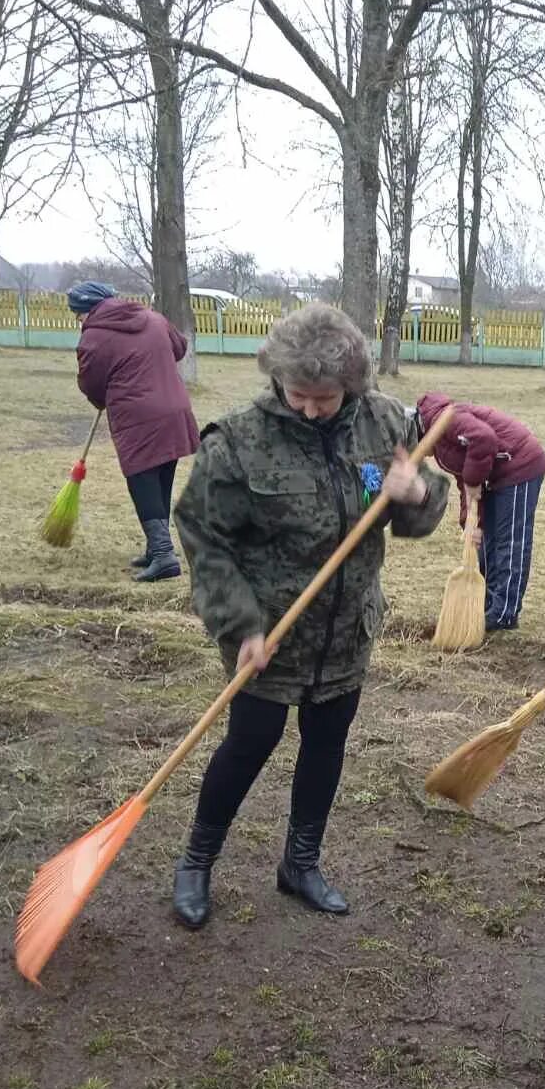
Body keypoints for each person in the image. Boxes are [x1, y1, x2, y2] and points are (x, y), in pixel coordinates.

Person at [170, 304, 449, 929]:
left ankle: (301, 862)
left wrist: (416, 496)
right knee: (249, 743)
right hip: (268, 631)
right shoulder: (238, 440)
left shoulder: (385, 423)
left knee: (327, 744)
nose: (310, 409)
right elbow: (203, 537)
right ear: (278, 378)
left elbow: (422, 511)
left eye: (324, 397)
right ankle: (197, 860)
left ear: (350, 385)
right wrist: (240, 624)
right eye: (298, 394)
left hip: (346, 629)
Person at [70, 280, 200, 582]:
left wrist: (99, 396)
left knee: (141, 481)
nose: (78, 321)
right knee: (161, 476)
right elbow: (179, 348)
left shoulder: (93, 338)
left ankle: (164, 554)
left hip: (138, 418)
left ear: (90, 310)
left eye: (78, 315)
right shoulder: (153, 318)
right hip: (174, 410)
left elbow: (90, 383)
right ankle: (157, 549)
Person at [414, 392, 545, 632]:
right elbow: (464, 478)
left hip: (519, 465)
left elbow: (484, 440)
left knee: (508, 542)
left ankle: (504, 612)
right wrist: (470, 522)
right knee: (488, 540)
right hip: (496, 475)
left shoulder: (444, 420)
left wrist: (473, 480)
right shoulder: (438, 439)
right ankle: (489, 604)